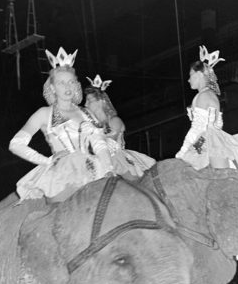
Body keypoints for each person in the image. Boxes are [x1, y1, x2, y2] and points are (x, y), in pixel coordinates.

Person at [9, 47, 114, 202]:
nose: (67, 87)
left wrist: (108, 169)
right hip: (62, 174)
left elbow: (99, 144)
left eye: (71, 82)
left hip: (92, 168)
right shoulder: (44, 113)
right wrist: (47, 161)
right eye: (61, 83)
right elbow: (15, 144)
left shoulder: (86, 113)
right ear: (52, 87)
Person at [175, 45, 238, 169]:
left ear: (200, 74)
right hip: (212, 139)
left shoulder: (202, 96)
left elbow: (198, 127)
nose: (188, 80)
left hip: (208, 141)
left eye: (190, 75)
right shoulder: (210, 95)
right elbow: (218, 124)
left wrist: (183, 151)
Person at [83, 75, 155, 179]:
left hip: (118, 159)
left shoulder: (114, 121)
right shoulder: (92, 126)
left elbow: (109, 144)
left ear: (100, 101)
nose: (86, 104)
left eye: (89, 100)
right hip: (101, 162)